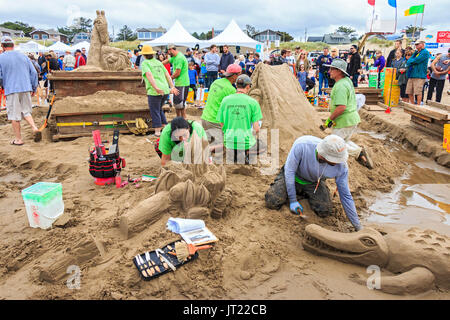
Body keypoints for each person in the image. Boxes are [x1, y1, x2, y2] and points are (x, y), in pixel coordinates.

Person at [264, 134, 362, 232]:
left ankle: (301, 193)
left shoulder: (341, 167)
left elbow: (345, 195)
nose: (337, 163)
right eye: (334, 161)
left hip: (314, 182)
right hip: (293, 177)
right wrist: (293, 200)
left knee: (324, 210)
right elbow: (289, 172)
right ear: (324, 154)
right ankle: (294, 194)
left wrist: (357, 226)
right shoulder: (303, 145)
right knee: (272, 201)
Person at [324, 58, 373, 169]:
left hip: (344, 121)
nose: (329, 71)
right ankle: (359, 150)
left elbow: (341, 107)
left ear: (339, 71)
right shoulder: (347, 81)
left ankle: (358, 153)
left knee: (334, 145)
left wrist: (329, 120)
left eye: (332, 69)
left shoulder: (340, 86)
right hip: (351, 118)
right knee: (344, 141)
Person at [0, 36, 41, 145]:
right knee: (26, 111)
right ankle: (34, 128)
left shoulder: (1, 58)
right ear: (13, 45)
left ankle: (18, 139)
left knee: (14, 115)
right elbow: (33, 73)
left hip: (11, 88)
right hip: (26, 87)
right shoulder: (24, 57)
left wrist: (3, 85)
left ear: (3, 46)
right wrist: (33, 87)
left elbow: (0, 76)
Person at [217, 74, 265, 164]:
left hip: (229, 141)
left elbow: (221, 123)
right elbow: (256, 129)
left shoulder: (225, 100)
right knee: (262, 145)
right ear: (247, 86)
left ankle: (234, 154)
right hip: (245, 142)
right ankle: (247, 153)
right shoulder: (253, 103)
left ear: (236, 85)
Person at [201, 64, 241, 146]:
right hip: (215, 122)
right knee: (221, 147)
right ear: (234, 75)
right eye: (239, 74)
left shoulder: (216, 82)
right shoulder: (231, 89)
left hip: (205, 118)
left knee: (208, 145)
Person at [165, 44, 190, 118]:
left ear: (171, 49)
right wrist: (158, 64)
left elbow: (177, 73)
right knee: (177, 104)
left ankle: (182, 121)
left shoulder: (179, 58)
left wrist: (170, 78)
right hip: (179, 83)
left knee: (180, 104)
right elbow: (167, 61)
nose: (168, 53)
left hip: (182, 83)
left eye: (168, 51)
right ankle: (179, 119)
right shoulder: (175, 57)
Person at [406, 39, 431, 105]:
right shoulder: (416, 52)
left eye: (417, 44)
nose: (416, 45)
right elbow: (408, 61)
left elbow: (415, 61)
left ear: (422, 44)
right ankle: (413, 104)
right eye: (415, 44)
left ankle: (418, 105)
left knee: (418, 92)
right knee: (409, 91)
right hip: (412, 74)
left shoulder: (425, 52)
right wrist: (411, 60)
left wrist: (411, 60)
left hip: (420, 75)